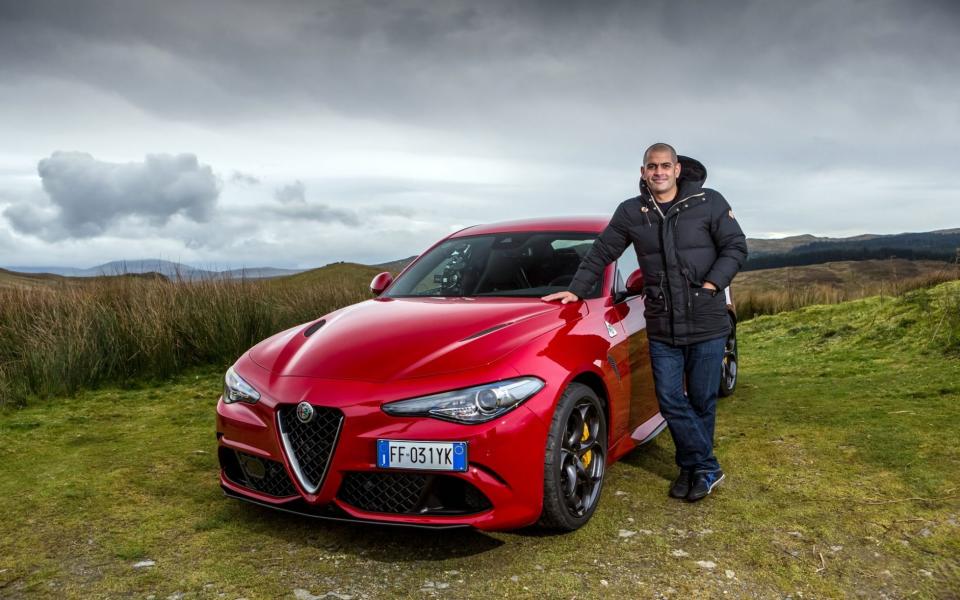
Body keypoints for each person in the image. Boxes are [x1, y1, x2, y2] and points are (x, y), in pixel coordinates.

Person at [542, 143, 747, 502]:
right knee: (669, 400)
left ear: (678, 169)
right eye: (652, 167)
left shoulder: (709, 202)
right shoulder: (631, 212)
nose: (659, 172)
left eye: (665, 166)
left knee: (701, 400)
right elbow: (602, 251)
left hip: (706, 320)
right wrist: (575, 291)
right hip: (662, 324)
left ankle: (692, 469)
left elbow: (736, 247)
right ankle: (707, 466)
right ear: (643, 172)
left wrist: (712, 284)